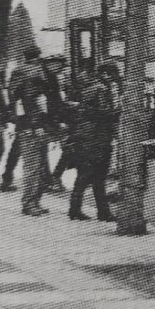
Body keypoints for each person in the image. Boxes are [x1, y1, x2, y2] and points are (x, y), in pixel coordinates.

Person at [68, 66, 117, 221]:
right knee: (97, 177)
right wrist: (118, 112)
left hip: (85, 137)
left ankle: (76, 209)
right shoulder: (101, 89)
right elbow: (104, 112)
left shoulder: (85, 90)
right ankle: (102, 212)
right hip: (97, 138)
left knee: (84, 175)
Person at [8, 45, 51, 216]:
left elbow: (18, 101)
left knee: (34, 165)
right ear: (38, 56)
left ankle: (32, 201)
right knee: (34, 166)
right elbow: (33, 100)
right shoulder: (35, 72)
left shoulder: (17, 72)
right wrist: (38, 124)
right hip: (33, 126)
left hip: (25, 125)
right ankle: (29, 203)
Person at [41, 54, 71, 192]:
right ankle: (50, 180)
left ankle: (51, 179)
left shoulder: (51, 76)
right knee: (43, 150)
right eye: (58, 65)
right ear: (50, 64)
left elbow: (56, 101)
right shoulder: (44, 78)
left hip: (53, 120)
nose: (60, 68)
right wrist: (60, 120)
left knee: (67, 148)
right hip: (48, 121)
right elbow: (50, 103)